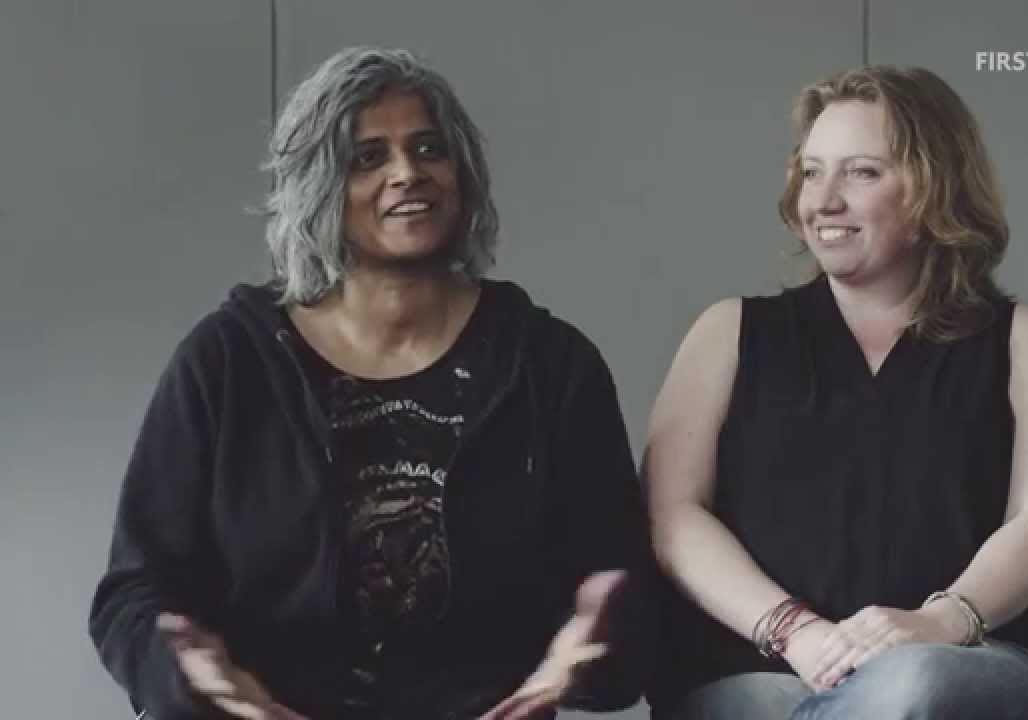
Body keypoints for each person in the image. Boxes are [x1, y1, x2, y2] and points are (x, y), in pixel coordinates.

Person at [89, 46, 652, 720]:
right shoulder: (229, 362)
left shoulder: (550, 366)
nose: (407, 173)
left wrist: (589, 648)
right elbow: (132, 595)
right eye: (368, 157)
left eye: (429, 149)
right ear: (320, 186)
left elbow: (619, 587)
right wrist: (185, 672)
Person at [644, 66, 1028, 720]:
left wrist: (937, 625)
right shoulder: (727, 333)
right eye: (812, 172)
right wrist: (796, 632)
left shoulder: (1021, 338)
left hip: (964, 662)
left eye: (862, 173)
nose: (823, 201)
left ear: (936, 187)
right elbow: (673, 516)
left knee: (911, 686)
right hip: (760, 668)